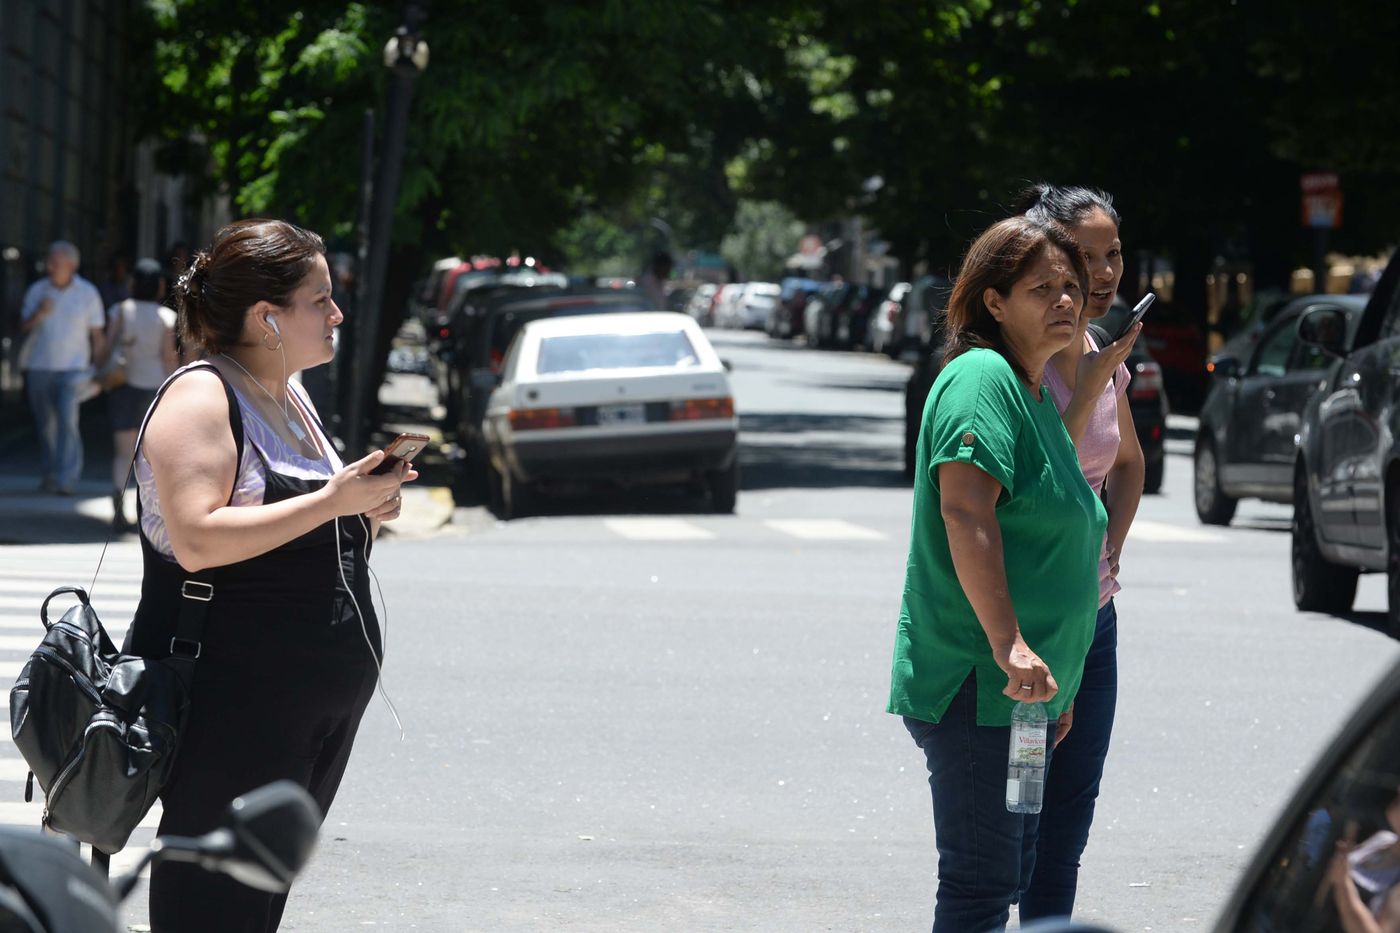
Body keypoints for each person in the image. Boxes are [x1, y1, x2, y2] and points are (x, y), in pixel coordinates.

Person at [125, 219, 414, 932]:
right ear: (267, 317)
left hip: (303, 707)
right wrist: (332, 501)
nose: (337, 313)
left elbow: (302, 539)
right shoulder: (201, 397)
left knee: (255, 904)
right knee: (211, 904)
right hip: (230, 703)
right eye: (320, 299)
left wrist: (365, 511)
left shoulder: (289, 395)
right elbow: (197, 539)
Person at [889, 216, 1108, 933]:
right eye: (1042, 288)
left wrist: (1057, 687)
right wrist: (1010, 644)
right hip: (980, 684)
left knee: (1009, 873)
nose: (1066, 300)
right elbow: (964, 510)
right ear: (993, 301)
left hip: (1024, 699)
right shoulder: (982, 378)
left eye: (1072, 286)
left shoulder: (1033, 390)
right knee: (981, 885)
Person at [1013, 185, 1145, 922]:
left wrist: (1110, 544)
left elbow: (1127, 462)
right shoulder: (1018, 367)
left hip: (1093, 621)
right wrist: (1085, 391)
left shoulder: (1100, 352)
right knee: (1018, 816)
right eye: (1084, 257)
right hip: (1030, 630)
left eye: (1113, 254)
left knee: (1067, 823)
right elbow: (1033, 491)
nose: (1103, 273)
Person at [18, 241, 106, 495]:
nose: (50, 267)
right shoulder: (37, 290)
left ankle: (66, 478)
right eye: (49, 262)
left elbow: (97, 335)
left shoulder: (87, 292)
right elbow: (21, 327)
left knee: (67, 422)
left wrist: (99, 370)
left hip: (74, 369)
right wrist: (39, 313)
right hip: (39, 367)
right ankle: (50, 473)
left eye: (55, 263)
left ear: (71, 265)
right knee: (46, 425)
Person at [98, 257, 179, 532]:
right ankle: (146, 511)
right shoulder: (167, 317)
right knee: (149, 455)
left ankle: (118, 504)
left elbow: (107, 348)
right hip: (154, 388)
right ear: (159, 286)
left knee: (123, 451)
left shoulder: (119, 310)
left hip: (122, 385)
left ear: (133, 283)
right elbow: (168, 358)